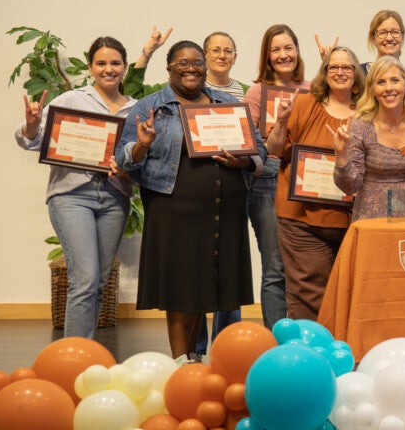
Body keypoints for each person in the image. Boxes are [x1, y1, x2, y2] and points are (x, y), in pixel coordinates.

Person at [117, 40, 261, 362]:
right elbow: (123, 159)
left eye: (197, 63)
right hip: (174, 211)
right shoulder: (150, 107)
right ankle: (181, 363)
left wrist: (243, 160)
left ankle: (193, 360)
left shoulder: (227, 104)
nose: (191, 69)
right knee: (182, 291)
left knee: (204, 289)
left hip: (223, 210)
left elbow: (259, 151)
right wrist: (142, 144)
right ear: (169, 68)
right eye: (182, 63)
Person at [16, 37, 136, 339]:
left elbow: (139, 158)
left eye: (115, 63)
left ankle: (85, 350)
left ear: (124, 66)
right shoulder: (71, 100)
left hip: (115, 197)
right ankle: (73, 358)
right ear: (90, 67)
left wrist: (128, 167)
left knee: (99, 282)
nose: (108, 69)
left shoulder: (135, 109)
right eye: (101, 63)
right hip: (71, 196)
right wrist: (32, 124)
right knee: (84, 280)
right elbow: (31, 140)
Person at [266, 48, 365, 321]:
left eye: (347, 67)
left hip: (352, 220)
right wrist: (281, 122)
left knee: (350, 294)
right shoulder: (303, 103)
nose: (340, 72)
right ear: (325, 72)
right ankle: (310, 346)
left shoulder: (368, 113)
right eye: (333, 67)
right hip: (302, 221)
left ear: (356, 75)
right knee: (308, 295)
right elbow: (274, 149)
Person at [242, 25, 309, 329]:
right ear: (267, 56)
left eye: (288, 48)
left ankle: (302, 332)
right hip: (268, 180)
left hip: (306, 180)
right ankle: (275, 338)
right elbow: (250, 141)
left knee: (303, 266)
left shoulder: (311, 89)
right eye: (276, 50)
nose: (284, 55)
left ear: (297, 51)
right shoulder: (257, 92)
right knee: (275, 267)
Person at [333, 56, 405, 221]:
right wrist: (341, 155)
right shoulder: (361, 125)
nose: (388, 88)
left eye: (395, 80)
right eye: (381, 82)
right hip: (368, 218)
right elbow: (350, 187)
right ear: (372, 89)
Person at [198, 30, 247, 353]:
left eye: (228, 50)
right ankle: (195, 347)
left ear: (235, 56)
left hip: (231, 184)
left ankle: (226, 346)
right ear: (204, 56)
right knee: (197, 266)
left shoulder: (245, 92)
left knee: (229, 266)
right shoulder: (191, 90)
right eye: (215, 50)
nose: (222, 55)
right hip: (199, 184)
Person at [357, 10, 405, 111]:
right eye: (382, 33)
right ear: (373, 38)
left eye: (395, 32)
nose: (389, 38)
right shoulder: (359, 72)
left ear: (402, 36)